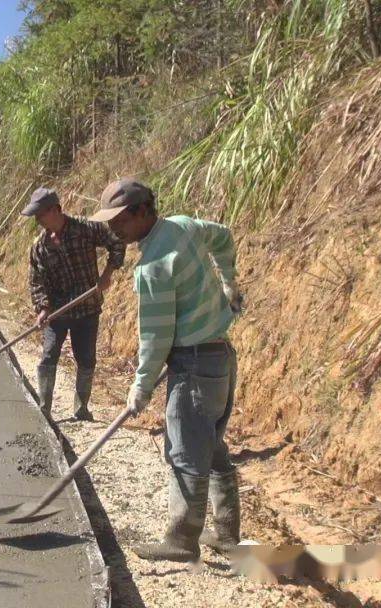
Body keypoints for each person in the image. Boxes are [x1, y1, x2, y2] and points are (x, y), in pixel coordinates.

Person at [89, 178, 243, 562]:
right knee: (211, 445)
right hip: (220, 357)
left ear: (143, 211)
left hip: (192, 366)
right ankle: (226, 534)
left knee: (186, 452)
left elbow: (156, 338)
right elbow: (223, 236)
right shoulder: (183, 226)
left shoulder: (154, 266)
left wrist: (140, 389)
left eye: (120, 220)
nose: (114, 229)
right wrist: (229, 283)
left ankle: (181, 541)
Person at [23, 187, 125, 421]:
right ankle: (44, 409)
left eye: (41, 214)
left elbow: (117, 241)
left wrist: (107, 274)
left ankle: (81, 409)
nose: (38, 220)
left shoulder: (86, 229)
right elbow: (37, 282)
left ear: (56, 209)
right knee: (49, 356)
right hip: (57, 312)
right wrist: (43, 309)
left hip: (87, 308)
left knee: (86, 358)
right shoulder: (40, 247)